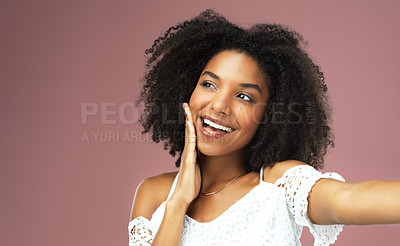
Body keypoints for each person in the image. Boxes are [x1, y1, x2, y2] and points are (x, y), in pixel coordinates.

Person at [129, 9, 400, 246]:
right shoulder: (154, 194)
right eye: (209, 84)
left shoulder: (279, 185)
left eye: (244, 96)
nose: (220, 106)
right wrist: (178, 202)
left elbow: (346, 199)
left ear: (270, 115)